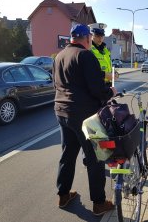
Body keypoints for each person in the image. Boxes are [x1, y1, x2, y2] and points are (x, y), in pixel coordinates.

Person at [53, 23, 117, 216]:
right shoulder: (85, 55)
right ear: (87, 39)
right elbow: (97, 89)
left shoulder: (59, 56)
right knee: (95, 157)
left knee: (68, 153)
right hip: (83, 116)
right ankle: (99, 203)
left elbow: (57, 82)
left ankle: (63, 195)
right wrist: (110, 92)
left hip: (61, 111)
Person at [88, 22, 118, 87]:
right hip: (95, 86)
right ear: (91, 36)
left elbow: (107, 65)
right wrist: (106, 75)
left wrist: (114, 72)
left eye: (102, 36)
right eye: (97, 36)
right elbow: (89, 71)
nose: (100, 38)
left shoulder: (105, 49)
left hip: (107, 85)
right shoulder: (88, 50)